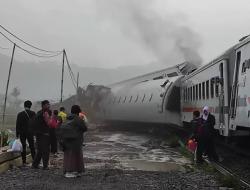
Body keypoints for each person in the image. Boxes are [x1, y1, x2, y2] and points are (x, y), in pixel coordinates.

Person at [60, 105, 87, 178]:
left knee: (67, 156)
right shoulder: (78, 119)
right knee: (75, 156)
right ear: (78, 111)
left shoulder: (67, 118)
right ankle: (73, 171)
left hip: (66, 141)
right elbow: (85, 128)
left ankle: (66, 171)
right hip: (76, 141)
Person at [32, 100, 51, 170]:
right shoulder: (45, 113)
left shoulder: (38, 112)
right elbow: (48, 123)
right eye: (47, 104)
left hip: (38, 134)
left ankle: (35, 164)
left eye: (49, 104)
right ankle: (45, 166)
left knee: (40, 150)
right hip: (44, 134)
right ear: (43, 105)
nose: (49, 106)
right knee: (46, 150)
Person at [16, 100, 36, 165]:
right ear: (30, 106)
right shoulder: (33, 113)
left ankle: (24, 162)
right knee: (32, 146)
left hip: (22, 133)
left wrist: (17, 134)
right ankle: (35, 161)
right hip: (30, 132)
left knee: (23, 146)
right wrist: (35, 133)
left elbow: (17, 124)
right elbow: (34, 124)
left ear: (24, 106)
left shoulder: (20, 114)